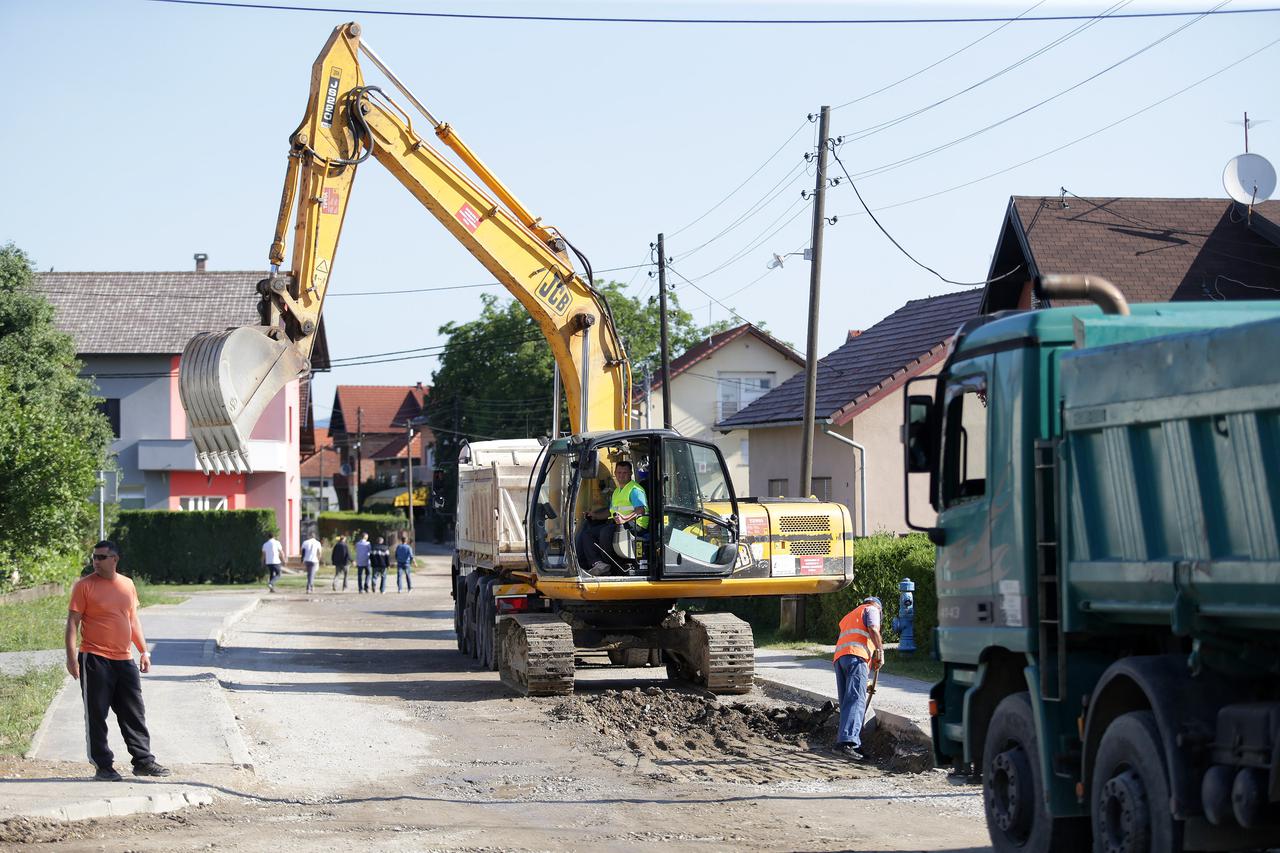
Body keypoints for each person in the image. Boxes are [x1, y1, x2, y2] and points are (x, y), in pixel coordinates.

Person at [65, 541, 170, 781]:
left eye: (102, 557)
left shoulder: (127, 585)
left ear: (115, 559)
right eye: (94, 557)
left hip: (124, 660)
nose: (96, 561)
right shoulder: (84, 586)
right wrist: (71, 658)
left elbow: (132, 620)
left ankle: (143, 761)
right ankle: (103, 766)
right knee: (97, 714)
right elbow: (73, 622)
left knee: (134, 713)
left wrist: (144, 651)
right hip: (94, 658)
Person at [574, 459, 648, 577]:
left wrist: (625, 519)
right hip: (620, 524)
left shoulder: (634, 490)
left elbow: (641, 510)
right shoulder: (617, 491)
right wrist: (595, 515)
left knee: (606, 532)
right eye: (619, 473)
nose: (621, 475)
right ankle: (598, 564)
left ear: (630, 474)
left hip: (636, 524)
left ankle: (612, 565)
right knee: (588, 534)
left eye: (625, 473)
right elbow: (611, 512)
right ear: (615, 474)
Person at [832, 596, 884, 761]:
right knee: (856, 700)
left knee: (847, 701)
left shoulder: (850, 615)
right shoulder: (872, 609)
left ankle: (849, 742)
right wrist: (880, 652)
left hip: (840, 658)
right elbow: (873, 629)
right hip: (857, 657)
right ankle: (848, 742)